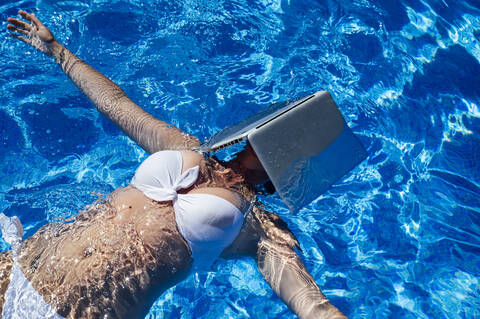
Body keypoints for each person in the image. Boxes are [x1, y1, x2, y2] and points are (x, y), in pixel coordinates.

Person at [3, 10, 347, 319]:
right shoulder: (188, 147)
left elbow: (310, 305)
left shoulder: (263, 229)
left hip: (87, 311)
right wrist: (58, 52)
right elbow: (115, 104)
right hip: (23, 265)